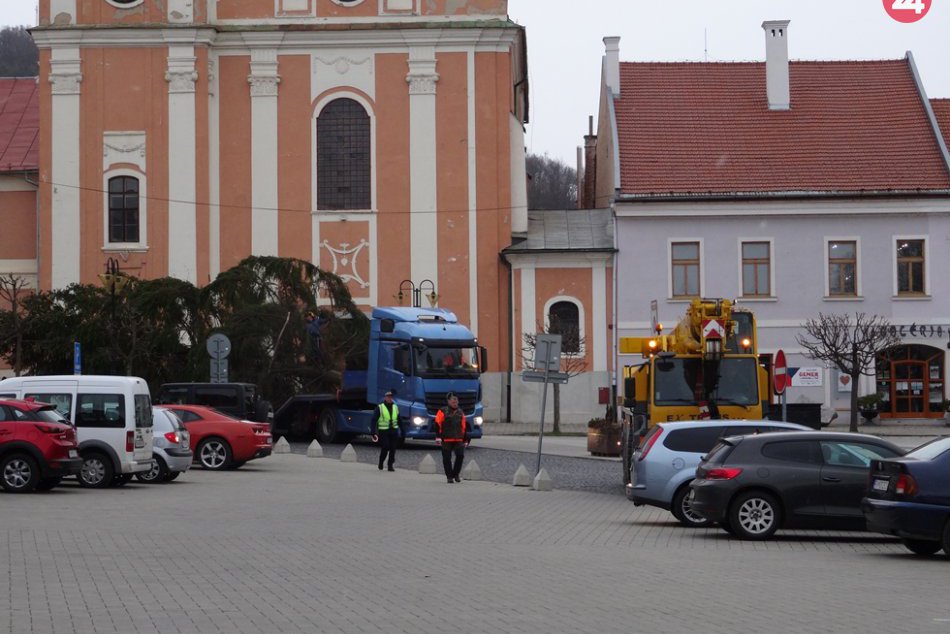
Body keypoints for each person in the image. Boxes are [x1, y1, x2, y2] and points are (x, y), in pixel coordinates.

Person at [434, 392, 469, 483]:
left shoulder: (460, 412)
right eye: (453, 400)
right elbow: (437, 424)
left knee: (460, 456)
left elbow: (464, 426)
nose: (455, 402)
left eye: (456, 400)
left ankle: (456, 474)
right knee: (446, 458)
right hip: (446, 439)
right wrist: (438, 437)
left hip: (458, 439)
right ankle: (449, 476)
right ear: (448, 401)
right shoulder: (442, 411)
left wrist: (466, 439)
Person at [371, 391, 399, 472]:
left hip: (393, 430)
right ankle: (381, 461)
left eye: (391, 397)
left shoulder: (395, 407)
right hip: (383, 430)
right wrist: (373, 432)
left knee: (393, 448)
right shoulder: (380, 407)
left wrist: (403, 430)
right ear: (385, 398)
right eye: (388, 397)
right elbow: (374, 420)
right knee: (386, 446)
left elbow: (399, 419)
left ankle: (390, 465)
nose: (390, 398)